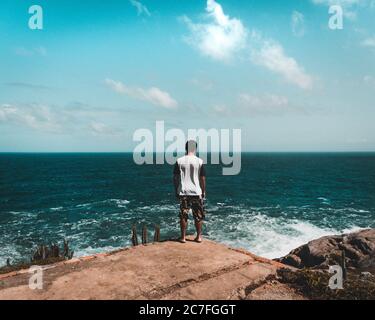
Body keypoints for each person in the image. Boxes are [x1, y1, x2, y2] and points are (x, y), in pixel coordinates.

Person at [173, 140, 206, 243]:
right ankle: (199, 237)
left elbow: (175, 177)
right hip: (196, 192)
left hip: (183, 192)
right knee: (198, 215)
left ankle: (183, 237)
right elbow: (203, 178)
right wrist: (203, 191)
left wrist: (176, 190)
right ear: (195, 148)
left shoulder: (179, 161)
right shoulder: (199, 161)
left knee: (183, 215)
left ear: (186, 148)